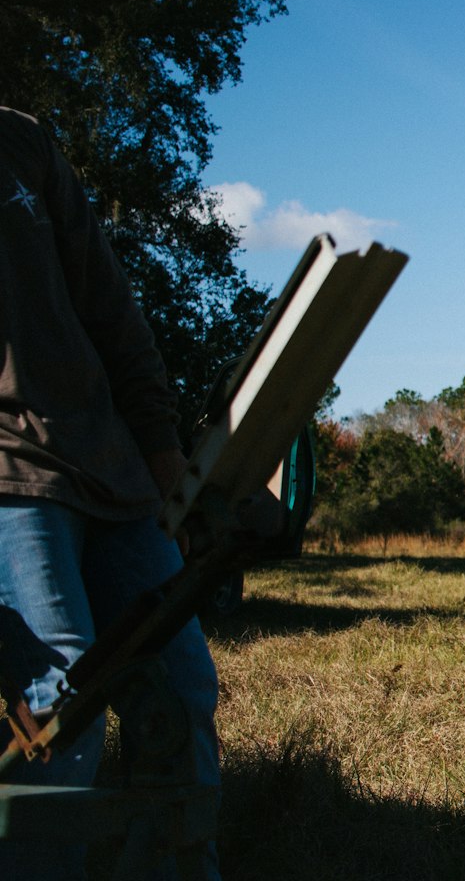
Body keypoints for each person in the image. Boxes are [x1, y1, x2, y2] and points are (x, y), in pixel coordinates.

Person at [0, 106, 221, 879]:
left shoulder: (21, 141)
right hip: (9, 481)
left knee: (185, 685)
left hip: (114, 469)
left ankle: (185, 867)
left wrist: (164, 458)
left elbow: (110, 306)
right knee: (59, 694)